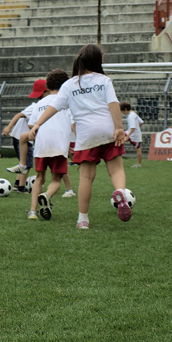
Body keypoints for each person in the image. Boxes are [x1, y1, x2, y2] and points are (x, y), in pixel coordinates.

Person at [29, 43, 131, 229]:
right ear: (97, 60)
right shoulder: (104, 80)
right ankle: (120, 191)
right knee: (116, 169)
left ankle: (83, 219)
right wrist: (119, 128)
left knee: (86, 178)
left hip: (86, 134)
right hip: (108, 129)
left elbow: (53, 107)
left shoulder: (69, 84)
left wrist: (37, 124)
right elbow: (113, 104)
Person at [26, 69, 72, 220]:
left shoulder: (40, 103)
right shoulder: (66, 101)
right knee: (56, 179)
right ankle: (46, 195)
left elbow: (31, 125)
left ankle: (33, 211)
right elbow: (73, 123)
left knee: (39, 177)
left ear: (48, 85)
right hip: (59, 144)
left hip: (41, 144)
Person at [2, 79, 46, 193]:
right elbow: (18, 115)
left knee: (25, 163)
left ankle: (17, 184)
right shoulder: (35, 107)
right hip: (21, 138)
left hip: (22, 138)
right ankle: (21, 188)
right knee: (26, 164)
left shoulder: (38, 106)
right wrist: (9, 127)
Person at [120, 101, 144, 167]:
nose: (122, 113)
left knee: (138, 149)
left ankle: (139, 164)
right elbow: (142, 122)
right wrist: (137, 128)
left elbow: (133, 128)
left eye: (122, 111)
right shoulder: (134, 114)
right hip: (133, 134)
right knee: (118, 138)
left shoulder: (131, 116)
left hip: (134, 136)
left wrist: (128, 136)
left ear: (125, 109)